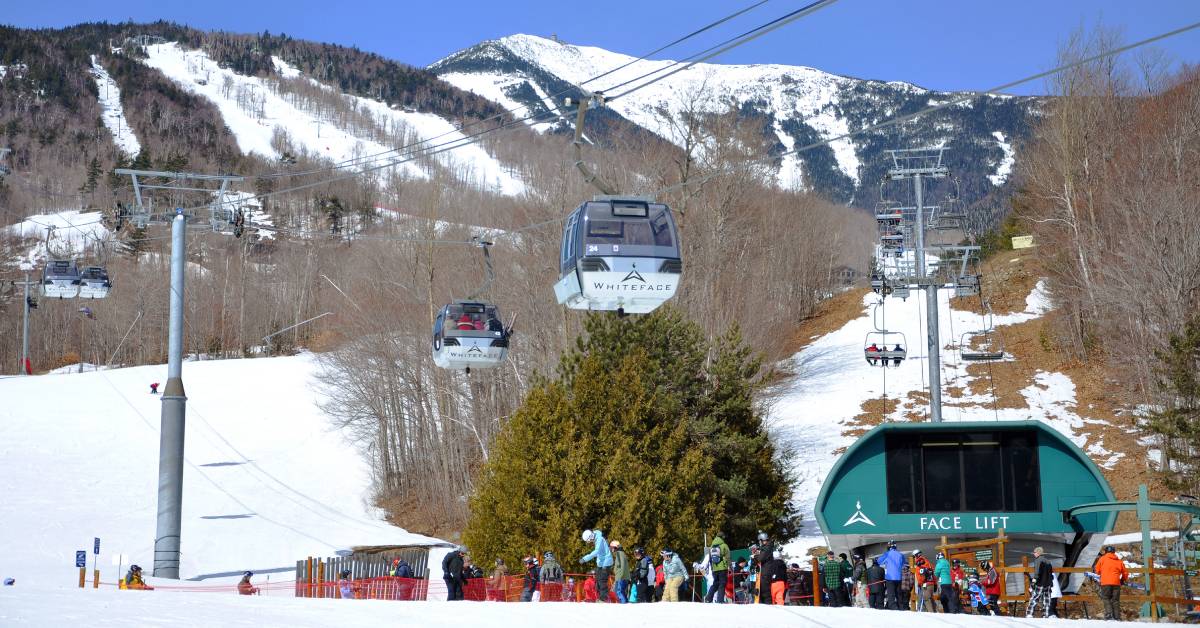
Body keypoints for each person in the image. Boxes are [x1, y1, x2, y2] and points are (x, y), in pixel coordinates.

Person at [1095, 545, 1129, 620]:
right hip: (1116, 583)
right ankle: (1117, 617)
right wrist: (1123, 580)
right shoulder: (1119, 561)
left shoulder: (1102, 559)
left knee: (1106, 598)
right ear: (1114, 552)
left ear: (1106, 552)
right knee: (1115, 600)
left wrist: (1101, 573)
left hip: (1105, 582)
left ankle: (1109, 613)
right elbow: (1125, 572)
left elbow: (1097, 570)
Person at [579, 529, 614, 603]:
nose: (589, 542)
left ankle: (604, 599)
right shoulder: (596, 538)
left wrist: (585, 559)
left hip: (606, 562)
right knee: (597, 579)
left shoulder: (599, 540)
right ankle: (600, 597)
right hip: (601, 563)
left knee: (602, 580)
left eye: (589, 541)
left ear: (591, 537)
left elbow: (596, 552)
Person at [1026, 546, 1054, 618]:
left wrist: (1033, 582)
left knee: (1034, 598)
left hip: (1040, 583)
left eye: (1034, 552)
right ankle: (1045, 614)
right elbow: (1051, 573)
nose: (1033, 553)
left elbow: (1037, 573)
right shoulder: (1048, 561)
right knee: (1046, 599)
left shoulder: (1038, 560)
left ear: (1038, 553)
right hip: (1048, 583)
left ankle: (1029, 613)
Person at [706, 532, 730, 603]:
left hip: (714, 568)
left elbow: (710, 559)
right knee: (722, 584)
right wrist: (730, 566)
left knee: (715, 584)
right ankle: (720, 600)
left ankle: (708, 598)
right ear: (722, 537)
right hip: (722, 568)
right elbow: (728, 557)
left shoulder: (712, 547)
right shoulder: (724, 545)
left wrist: (712, 568)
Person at [881, 540, 905, 610]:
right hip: (899, 578)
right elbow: (904, 563)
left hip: (890, 578)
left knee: (891, 594)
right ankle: (901, 607)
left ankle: (893, 608)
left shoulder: (887, 554)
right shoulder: (900, 554)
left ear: (888, 547)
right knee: (899, 594)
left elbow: (879, 561)